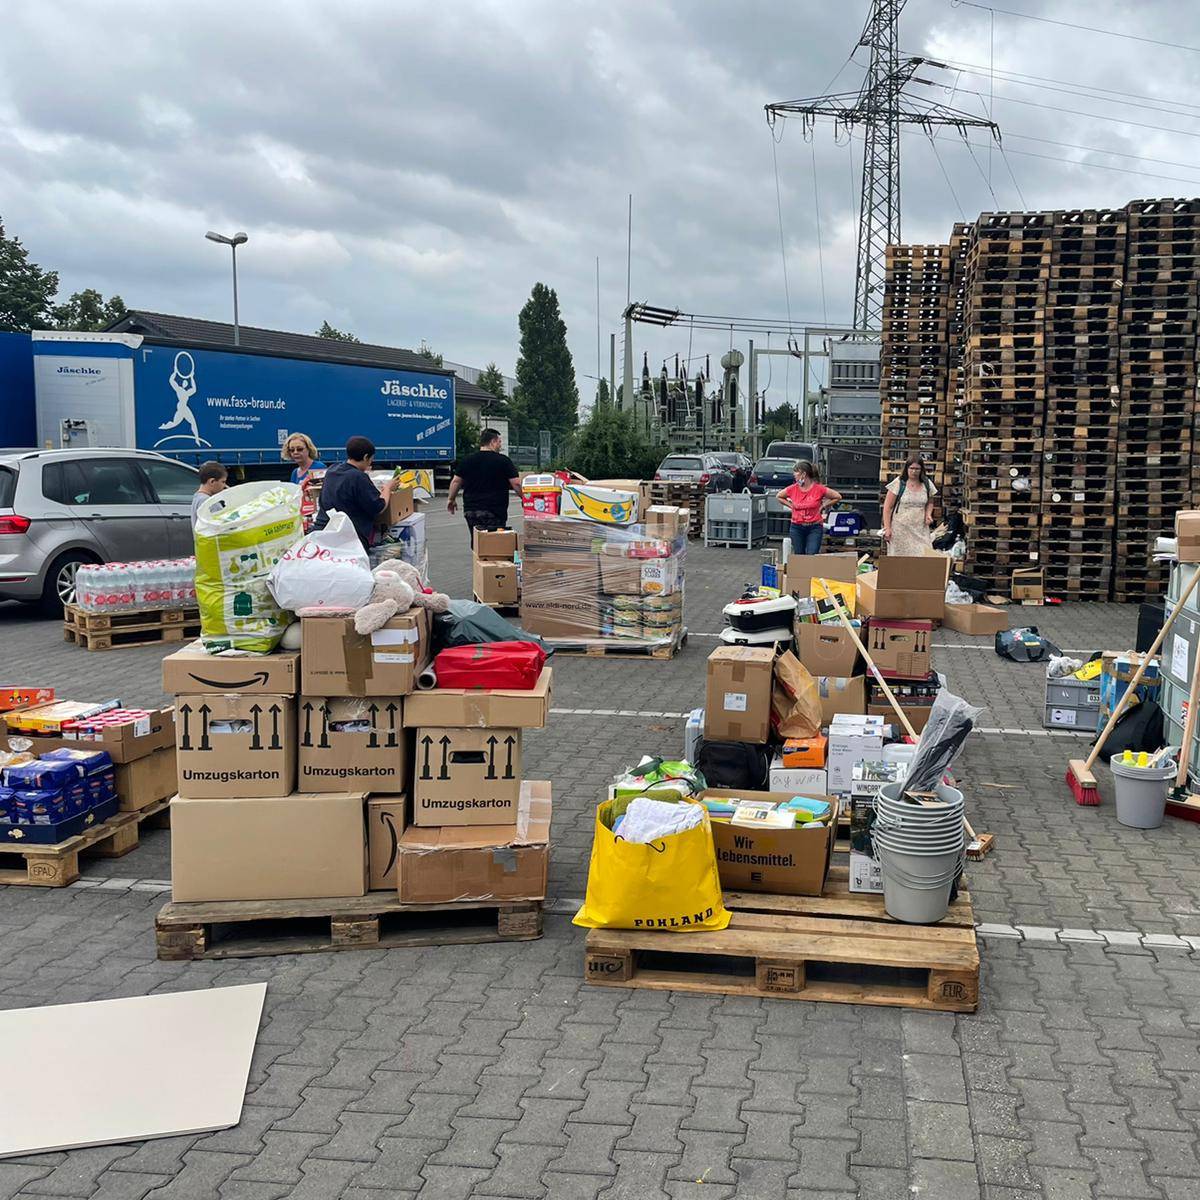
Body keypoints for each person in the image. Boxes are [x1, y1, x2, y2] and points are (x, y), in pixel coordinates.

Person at [313, 436, 394, 549]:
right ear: (365, 457)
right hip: (348, 540)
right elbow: (378, 507)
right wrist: (388, 488)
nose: (370, 463)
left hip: (321, 534)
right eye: (371, 459)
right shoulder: (358, 477)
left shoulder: (332, 470)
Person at [446, 427, 522, 546]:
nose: (500, 446)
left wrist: (451, 499)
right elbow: (516, 483)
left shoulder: (467, 460)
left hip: (471, 511)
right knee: (494, 545)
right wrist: (525, 498)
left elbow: (456, 481)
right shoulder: (503, 461)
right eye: (499, 442)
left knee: (478, 543)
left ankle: (478, 557)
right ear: (493, 442)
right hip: (494, 511)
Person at [777, 460, 841, 556]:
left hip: (814, 527)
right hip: (797, 527)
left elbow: (837, 496)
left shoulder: (819, 489)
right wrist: (791, 506)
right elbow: (779, 496)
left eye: (796, 472)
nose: (794, 474)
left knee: (812, 554)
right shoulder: (792, 488)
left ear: (803, 474)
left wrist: (823, 506)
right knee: (799, 555)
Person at [883, 458, 938, 556]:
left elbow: (930, 502)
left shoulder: (927, 483)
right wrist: (887, 528)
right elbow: (888, 507)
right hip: (900, 529)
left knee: (924, 554)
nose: (914, 471)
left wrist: (928, 514)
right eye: (911, 468)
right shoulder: (898, 483)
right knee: (900, 557)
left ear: (921, 469)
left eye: (917, 469)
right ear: (907, 468)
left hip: (920, 528)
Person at [191, 461, 228, 527]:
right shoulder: (210, 503)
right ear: (212, 481)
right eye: (223, 482)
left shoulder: (197, 497)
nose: (224, 486)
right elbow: (223, 527)